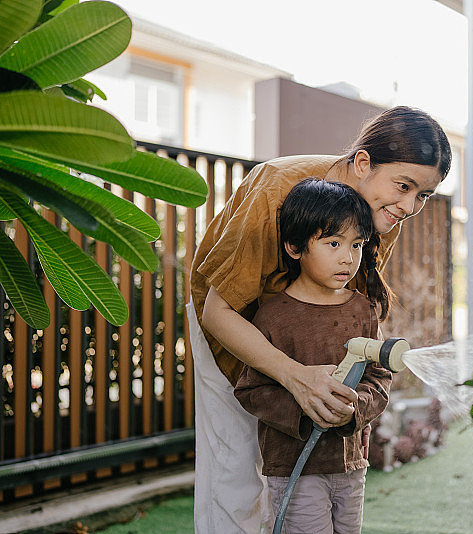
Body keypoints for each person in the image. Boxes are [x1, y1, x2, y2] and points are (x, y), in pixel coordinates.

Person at [187, 105, 451, 533]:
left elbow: (352, 305)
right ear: (363, 162)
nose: (409, 206)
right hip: (231, 323)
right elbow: (219, 310)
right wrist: (293, 375)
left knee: (299, 476)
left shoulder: (383, 213)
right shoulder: (277, 187)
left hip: (310, 336)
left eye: (423, 195)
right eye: (404, 186)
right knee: (236, 474)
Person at [234, 178, 392, 533]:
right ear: (294, 246)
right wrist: (307, 410)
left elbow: (379, 379)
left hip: (351, 465)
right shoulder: (274, 316)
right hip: (295, 468)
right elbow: (250, 390)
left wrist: (354, 408)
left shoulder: (362, 311)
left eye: (356, 244)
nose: (347, 257)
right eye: (333, 243)